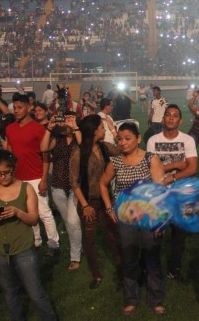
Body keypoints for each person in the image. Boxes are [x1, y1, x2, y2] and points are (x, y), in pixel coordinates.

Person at [0, 151, 57, 321]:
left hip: (22, 248)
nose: (4, 177)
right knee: (10, 291)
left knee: (35, 291)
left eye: (7, 172)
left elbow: (34, 219)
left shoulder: (26, 188)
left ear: (14, 169)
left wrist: (18, 212)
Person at [99, 122, 166, 316]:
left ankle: (156, 299)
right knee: (129, 259)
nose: (123, 142)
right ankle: (131, 298)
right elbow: (103, 184)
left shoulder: (150, 159)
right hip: (126, 219)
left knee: (152, 258)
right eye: (120, 139)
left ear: (138, 138)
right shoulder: (115, 162)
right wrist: (109, 207)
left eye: (127, 138)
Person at [147, 104, 198, 280]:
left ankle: (173, 268)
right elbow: (150, 169)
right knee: (157, 233)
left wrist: (171, 178)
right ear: (163, 118)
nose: (170, 118)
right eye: (168, 115)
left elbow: (192, 168)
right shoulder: (153, 140)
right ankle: (153, 269)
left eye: (175, 116)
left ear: (180, 120)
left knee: (179, 235)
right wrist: (175, 165)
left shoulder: (188, 140)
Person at [69, 115, 121, 289]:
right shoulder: (78, 153)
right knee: (90, 240)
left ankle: (121, 268)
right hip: (89, 203)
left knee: (113, 235)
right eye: (101, 127)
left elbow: (122, 150)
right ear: (93, 131)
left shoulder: (105, 148)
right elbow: (74, 182)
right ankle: (96, 274)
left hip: (106, 200)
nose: (103, 130)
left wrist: (115, 130)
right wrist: (85, 205)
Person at [5, 95, 60, 255]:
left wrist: (43, 179)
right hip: (18, 179)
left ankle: (53, 243)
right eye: (14, 108)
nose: (16, 110)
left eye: (20, 107)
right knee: (28, 213)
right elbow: (9, 153)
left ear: (29, 108)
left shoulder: (38, 129)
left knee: (44, 212)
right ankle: (35, 241)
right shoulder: (10, 129)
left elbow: (45, 156)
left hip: (36, 177)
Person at [41, 112, 83, 270]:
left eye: (71, 118)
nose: (67, 121)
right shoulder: (56, 139)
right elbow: (43, 148)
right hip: (58, 185)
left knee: (72, 221)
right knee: (69, 222)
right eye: (65, 119)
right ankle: (80, 246)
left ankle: (75, 256)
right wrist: (49, 129)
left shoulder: (79, 139)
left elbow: (84, 147)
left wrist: (75, 128)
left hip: (75, 186)